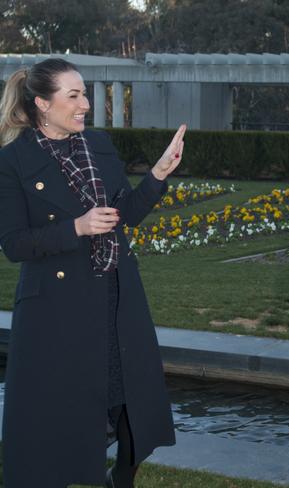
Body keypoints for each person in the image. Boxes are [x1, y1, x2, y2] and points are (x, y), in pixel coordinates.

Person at [0, 58, 186, 487]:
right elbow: (13, 244)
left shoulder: (98, 145)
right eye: (74, 95)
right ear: (43, 104)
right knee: (56, 423)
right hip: (56, 313)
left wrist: (159, 173)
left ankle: (119, 480)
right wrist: (76, 228)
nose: (85, 103)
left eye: (84, 93)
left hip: (116, 300)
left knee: (134, 410)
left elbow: (126, 215)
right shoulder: (13, 161)